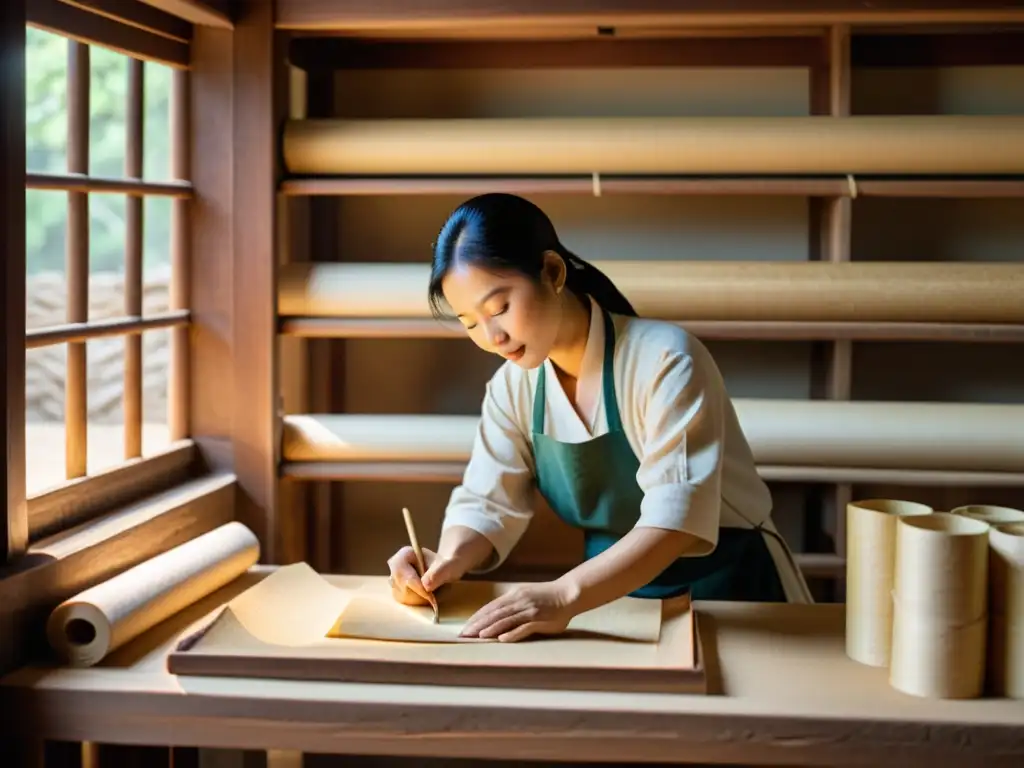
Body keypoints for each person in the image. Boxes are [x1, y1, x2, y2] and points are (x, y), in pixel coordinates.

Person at [386, 193, 812, 643]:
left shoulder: (667, 360)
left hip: (734, 597)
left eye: (499, 308)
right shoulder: (511, 388)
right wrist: (443, 562)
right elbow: (487, 501)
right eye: (470, 323)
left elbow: (676, 521)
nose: (493, 336)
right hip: (612, 602)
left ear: (552, 272)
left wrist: (564, 595)